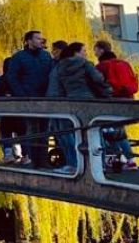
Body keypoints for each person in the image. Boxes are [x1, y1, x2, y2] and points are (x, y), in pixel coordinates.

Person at [47, 41, 111, 170]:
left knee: (71, 133)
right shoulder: (85, 64)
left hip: (70, 102)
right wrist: (107, 90)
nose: (86, 54)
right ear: (76, 53)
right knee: (93, 131)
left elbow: (57, 87)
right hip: (88, 100)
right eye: (84, 51)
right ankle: (100, 163)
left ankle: (74, 163)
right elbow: (98, 79)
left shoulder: (60, 67)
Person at [5, 30, 55, 168]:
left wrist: (50, 93)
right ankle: (34, 160)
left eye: (41, 38)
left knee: (45, 130)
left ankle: (44, 161)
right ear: (28, 41)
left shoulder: (46, 56)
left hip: (45, 98)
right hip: (29, 98)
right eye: (38, 38)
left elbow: (52, 75)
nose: (41, 41)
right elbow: (12, 77)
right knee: (32, 129)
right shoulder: (19, 57)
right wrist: (21, 95)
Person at [94, 39, 139, 170]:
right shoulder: (124, 63)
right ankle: (125, 159)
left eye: (95, 50)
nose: (95, 53)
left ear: (101, 50)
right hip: (128, 100)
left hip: (112, 101)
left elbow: (98, 85)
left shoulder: (102, 66)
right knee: (116, 130)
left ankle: (127, 160)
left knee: (109, 131)